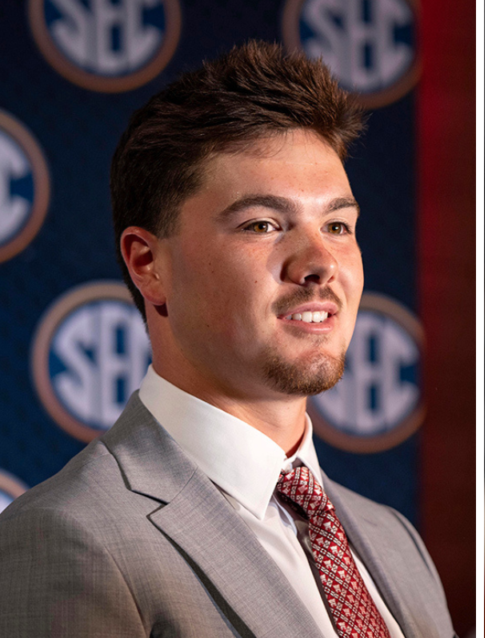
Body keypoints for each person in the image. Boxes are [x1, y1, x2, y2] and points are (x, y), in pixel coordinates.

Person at [0, 41, 453, 638]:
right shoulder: (72, 537)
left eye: (338, 226)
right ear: (147, 264)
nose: (321, 263)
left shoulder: (396, 543)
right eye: (263, 224)